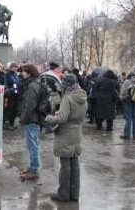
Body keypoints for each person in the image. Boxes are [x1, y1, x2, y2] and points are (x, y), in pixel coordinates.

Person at [45, 73, 87, 202]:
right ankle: (74, 194)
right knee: (74, 164)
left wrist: (49, 118)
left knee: (65, 166)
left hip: (66, 134)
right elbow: (78, 114)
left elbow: (62, 119)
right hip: (77, 132)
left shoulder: (67, 98)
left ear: (66, 85)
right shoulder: (83, 96)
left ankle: (63, 194)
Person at [19, 64, 42, 180]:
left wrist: (23, 119)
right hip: (35, 118)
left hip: (32, 119)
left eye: (24, 72)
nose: (22, 73)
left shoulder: (32, 86)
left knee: (33, 145)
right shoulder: (36, 83)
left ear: (29, 73)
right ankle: (33, 167)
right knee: (34, 144)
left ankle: (34, 169)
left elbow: (29, 106)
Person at [119, 70, 135, 140]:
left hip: (128, 101)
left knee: (128, 118)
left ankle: (127, 134)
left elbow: (123, 91)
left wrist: (122, 98)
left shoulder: (127, 81)